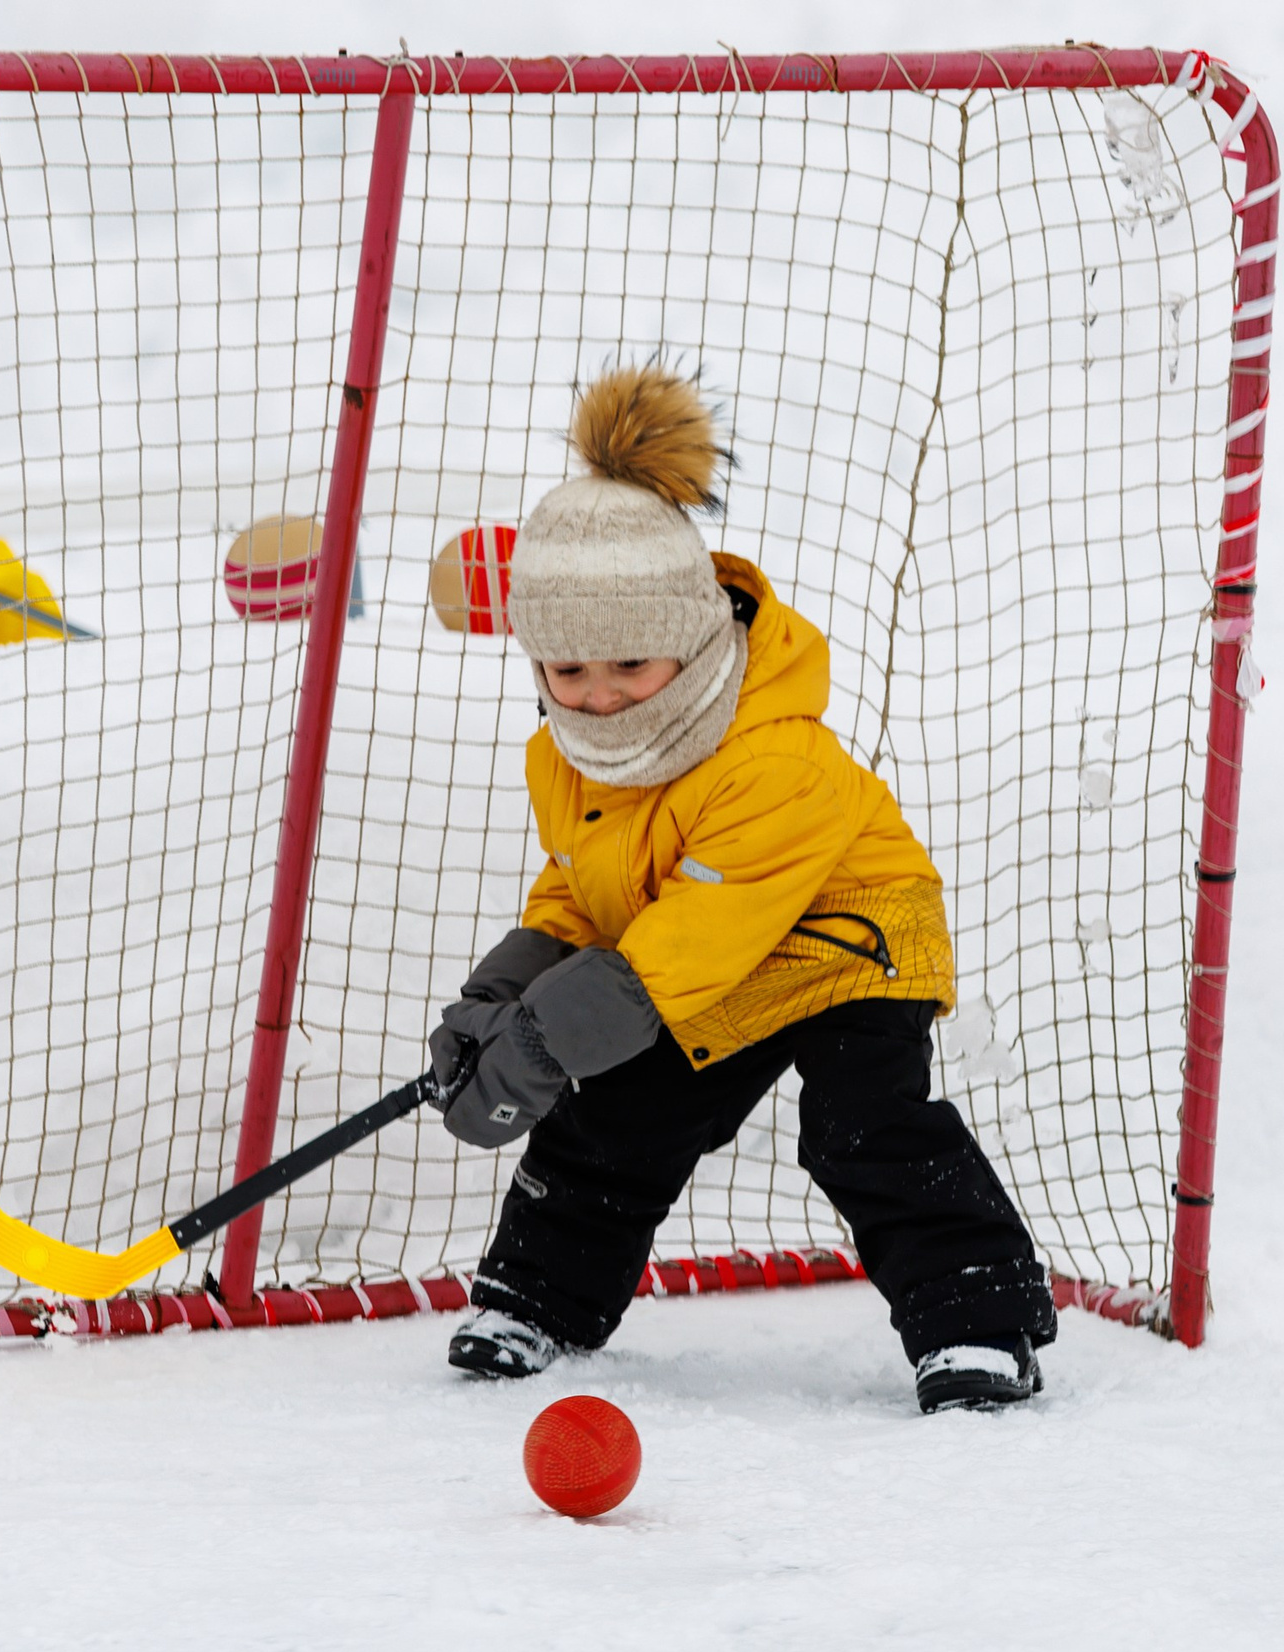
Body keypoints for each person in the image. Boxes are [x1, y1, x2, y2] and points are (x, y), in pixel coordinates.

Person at [428, 364, 1057, 1413]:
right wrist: (506, 992)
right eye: (568, 671)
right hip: (688, 951)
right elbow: (589, 887)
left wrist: (549, 1036)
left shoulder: (775, 756)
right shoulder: (567, 753)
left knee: (862, 1131)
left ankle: (977, 1322)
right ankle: (534, 1301)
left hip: (846, 942)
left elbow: (706, 928)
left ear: (693, 634)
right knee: (616, 1117)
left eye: (630, 664)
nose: (599, 693)